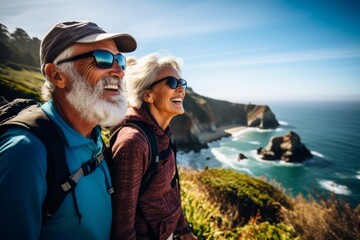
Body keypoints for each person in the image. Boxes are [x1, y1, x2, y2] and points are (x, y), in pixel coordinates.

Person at [0, 21, 136, 239]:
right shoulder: (25, 153)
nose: (119, 71)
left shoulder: (94, 137)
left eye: (120, 60)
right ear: (57, 75)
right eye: (102, 58)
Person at [109, 53, 197, 240]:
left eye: (182, 83)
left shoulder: (162, 130)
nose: (181, 89)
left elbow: (170, 188)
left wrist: (183, 228)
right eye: (172, 83)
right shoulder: (133, 144)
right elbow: (122, 224)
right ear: (148, 95)